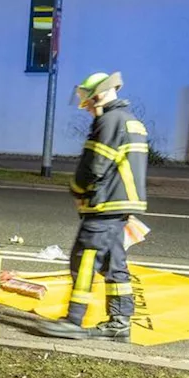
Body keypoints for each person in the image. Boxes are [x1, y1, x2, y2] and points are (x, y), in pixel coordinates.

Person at [40, 72, 148, 343]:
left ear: (98, 96)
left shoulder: (109, 121)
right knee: (115, 265)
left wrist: (77, 190)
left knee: (84, 260)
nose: (87, 109)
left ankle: (74, 320)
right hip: (120, 204)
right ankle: (120, 322)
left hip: (104, 204)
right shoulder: (131, 121)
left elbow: (93, 166)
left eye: (87, 103)